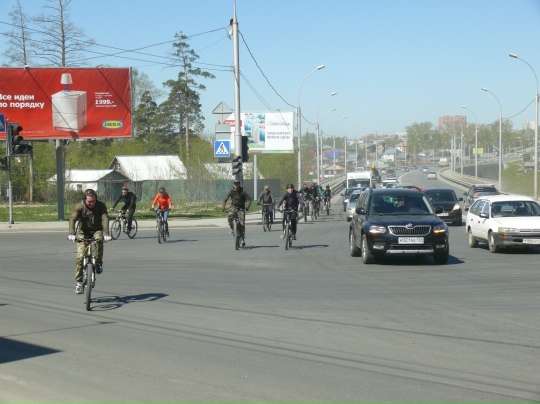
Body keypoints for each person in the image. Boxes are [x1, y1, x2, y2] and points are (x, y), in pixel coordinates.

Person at [68, 189, 111, 294]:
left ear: (96, 198)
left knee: (99, 241)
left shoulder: (101, 206)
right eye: (89, 202)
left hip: (97, 230)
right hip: (83, 232)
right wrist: (72, 233)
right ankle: (79, 283)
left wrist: (106, 234)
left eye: (93, 201)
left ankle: (98, 263)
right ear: (85, 200)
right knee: (80, 257)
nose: (91, 203)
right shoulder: (80, 206)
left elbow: (105, 218)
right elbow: (72, 218)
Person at [222, 179, 252, 246]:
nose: (236, 185)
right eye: (235, 184)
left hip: (241, 208)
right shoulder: (231, 191)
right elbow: (225, 199)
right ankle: (232, 228)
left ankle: (242, 238)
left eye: (237, 184)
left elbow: (249, 200)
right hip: (233, 207)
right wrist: (223, 207)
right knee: (230, 217)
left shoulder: (243, 192)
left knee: (242, 223)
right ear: (234, 184)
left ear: (239, 184)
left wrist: (247, 207)